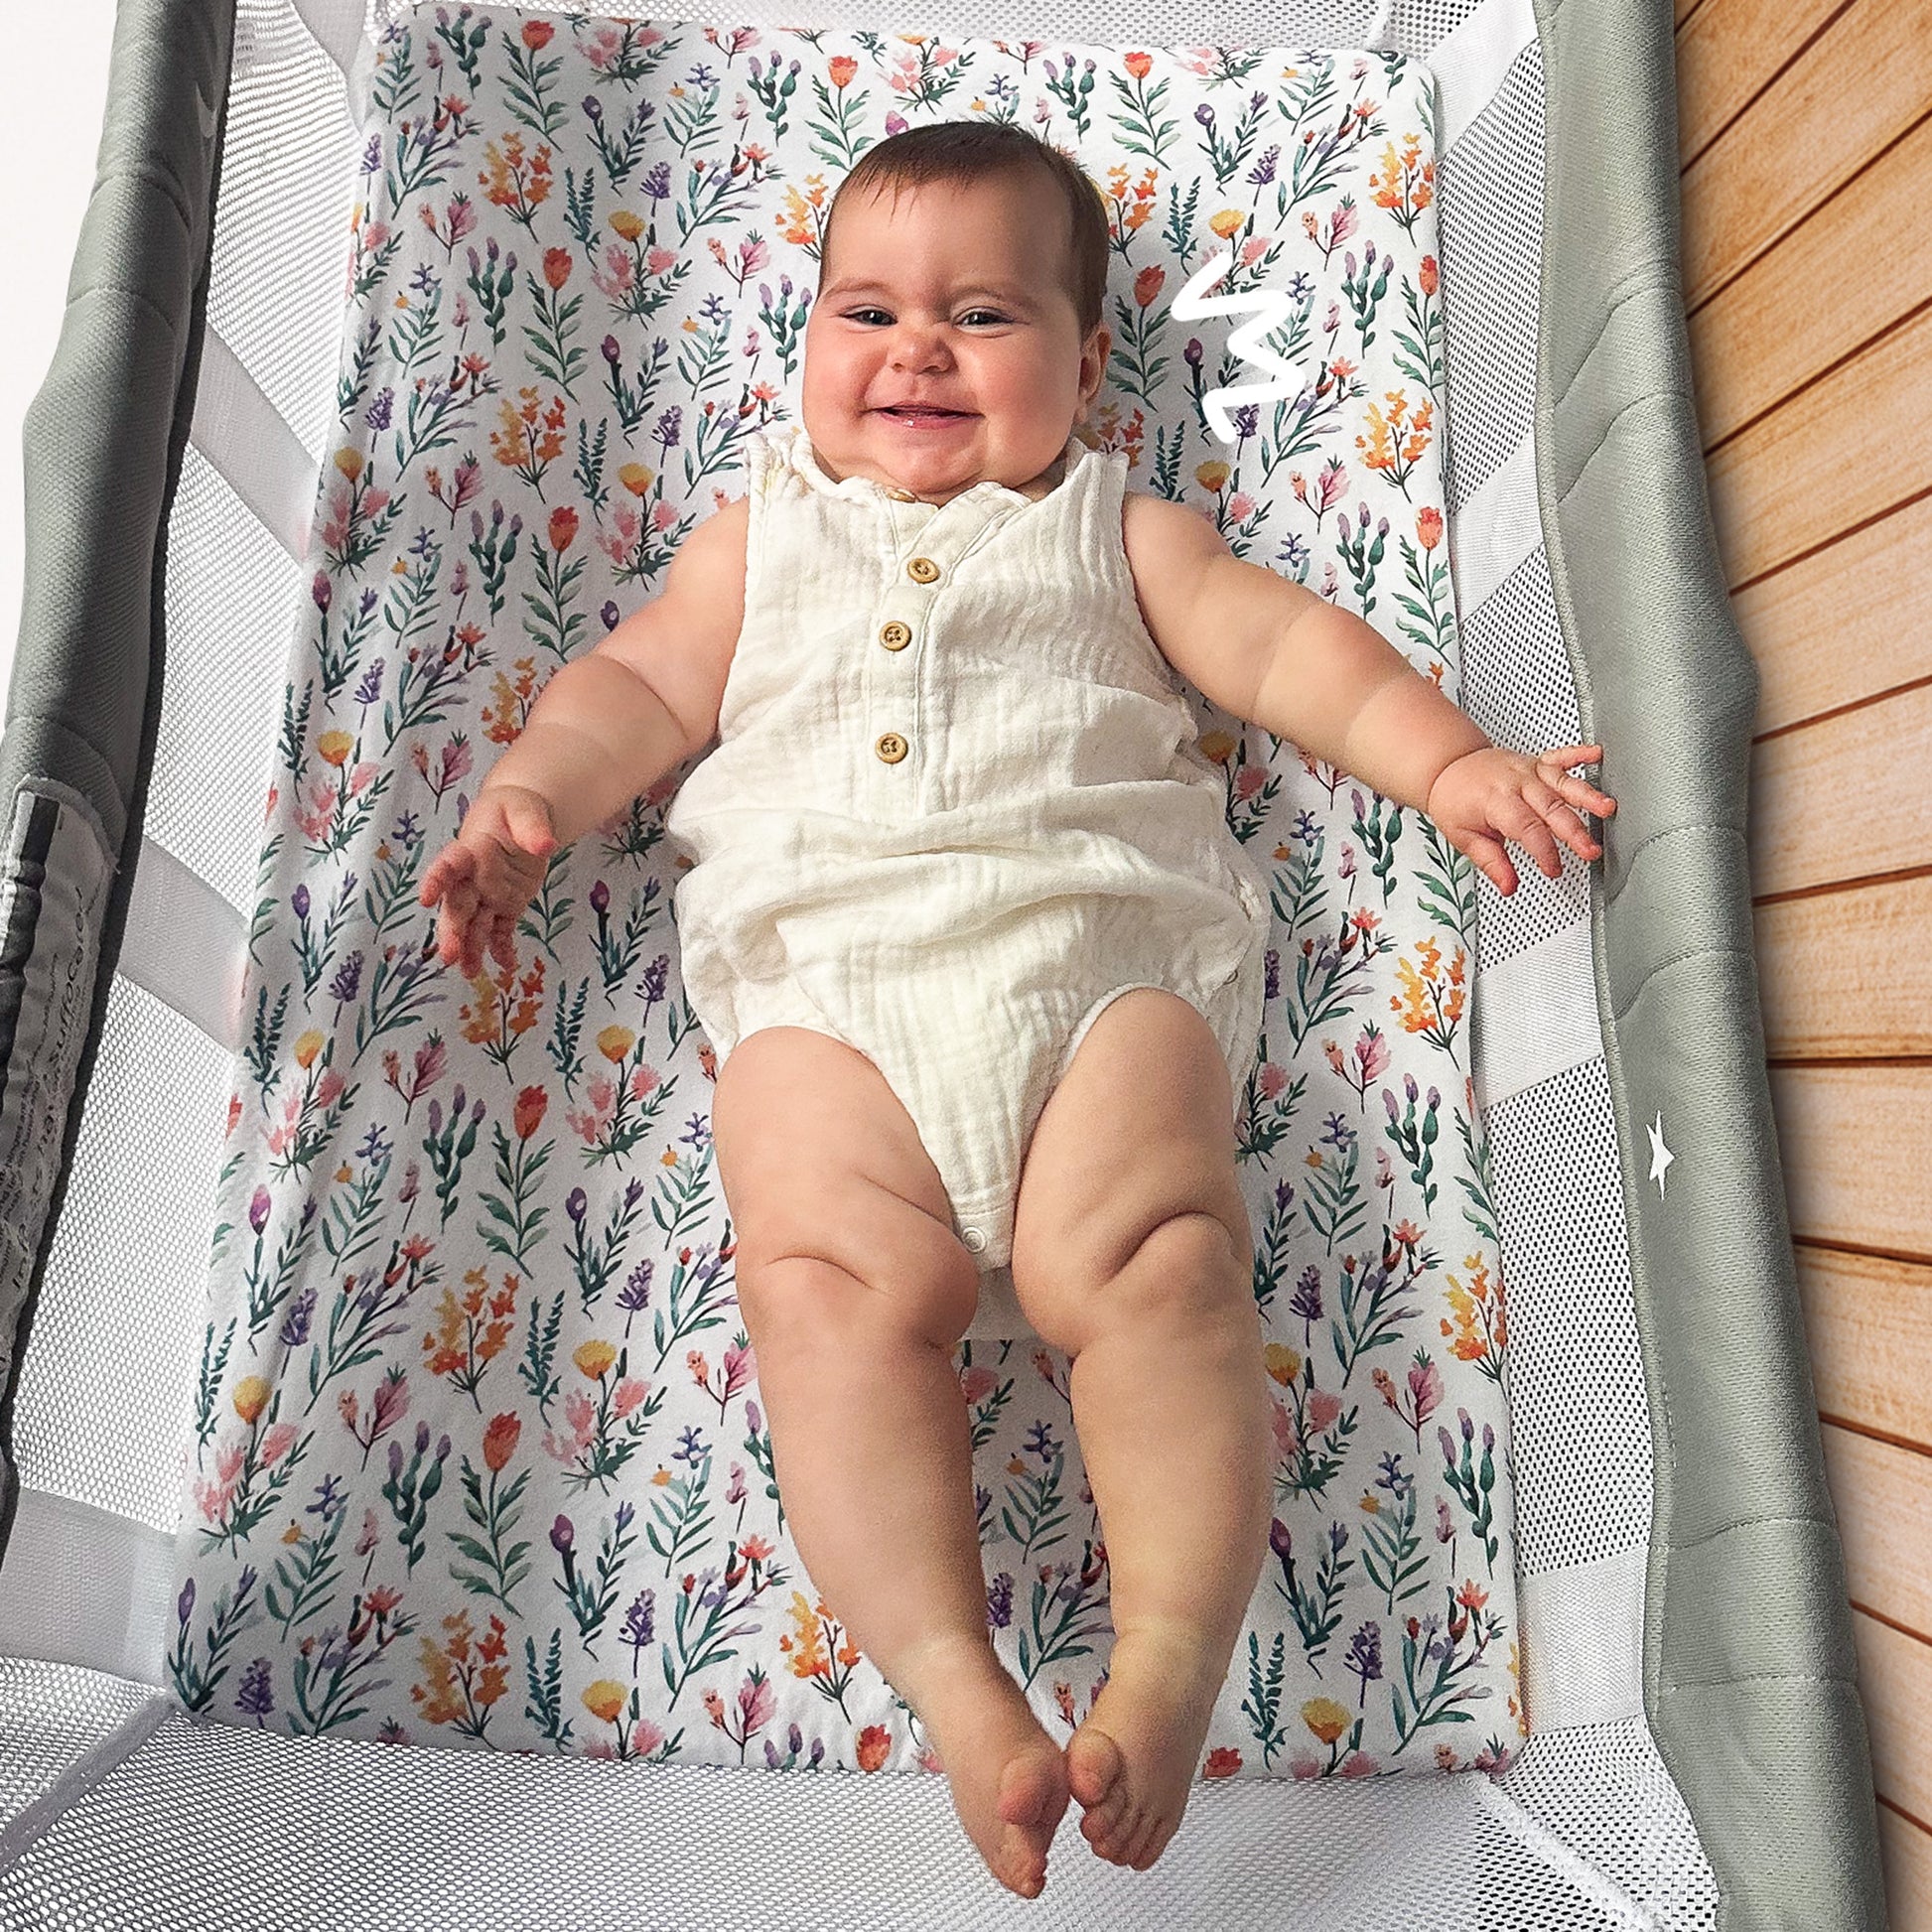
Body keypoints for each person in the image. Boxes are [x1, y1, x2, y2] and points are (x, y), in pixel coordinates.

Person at [420, 120, 1615, 1899]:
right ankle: (955, 1685)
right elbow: (633, 689)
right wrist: (529, 797)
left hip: (1095, 966)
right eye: (866, 312)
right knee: (819, 1290)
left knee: (1160, 1265)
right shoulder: (756, 541)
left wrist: (1446, 765)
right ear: (804, 342)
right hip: (822, 990)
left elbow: (1286, 652)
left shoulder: (1117, 527)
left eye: (981, 314)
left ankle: (1169, 1652)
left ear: (1084, 359)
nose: (917, 349)